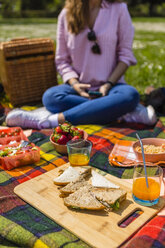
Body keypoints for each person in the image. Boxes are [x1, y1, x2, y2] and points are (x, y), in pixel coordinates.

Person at [6, 0, 156, 129]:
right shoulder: (66, 14)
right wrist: (75, 83)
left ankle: (50, 121)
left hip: (113, 87)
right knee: (51, 97)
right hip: (79, 88)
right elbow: (61, 60)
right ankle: (123, 111)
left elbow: (126, 56)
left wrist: (108, 84)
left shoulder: (119, 9)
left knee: (130, 95)